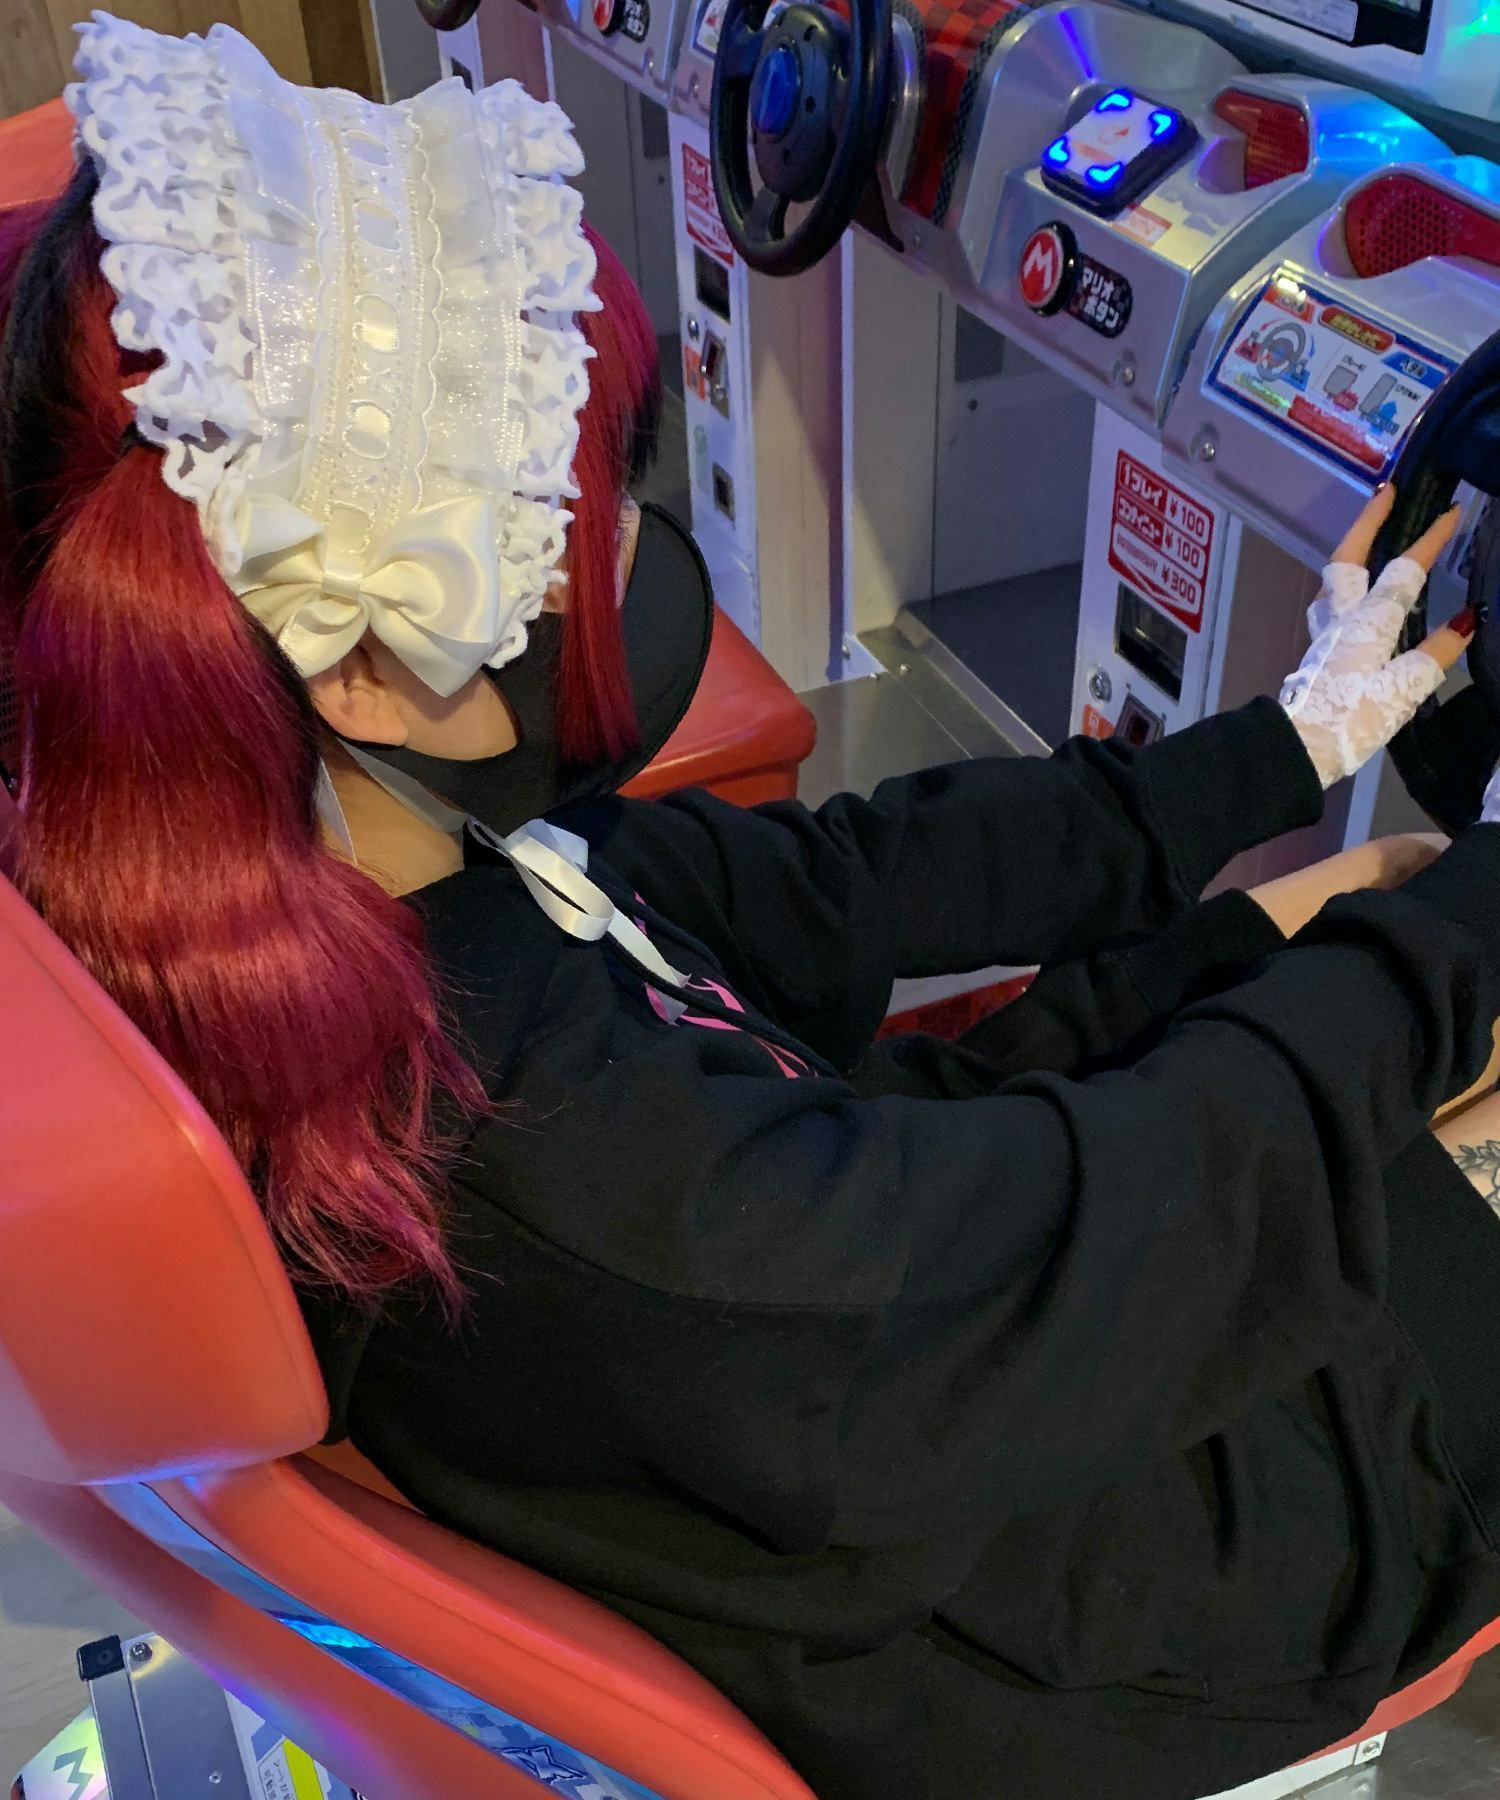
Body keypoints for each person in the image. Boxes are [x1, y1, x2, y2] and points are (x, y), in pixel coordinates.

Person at [3, 17, 1500, 1799]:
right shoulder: (564, 1169)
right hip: (1107, 1583)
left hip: (908, 1333)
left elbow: (853, 885)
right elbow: (1050, 1261)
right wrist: (1443, 949)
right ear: (366, 666)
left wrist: (1288, 749)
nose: (636, 554)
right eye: (583, 521)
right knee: (1410, 979)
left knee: (1365, 918)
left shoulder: (384, 885)